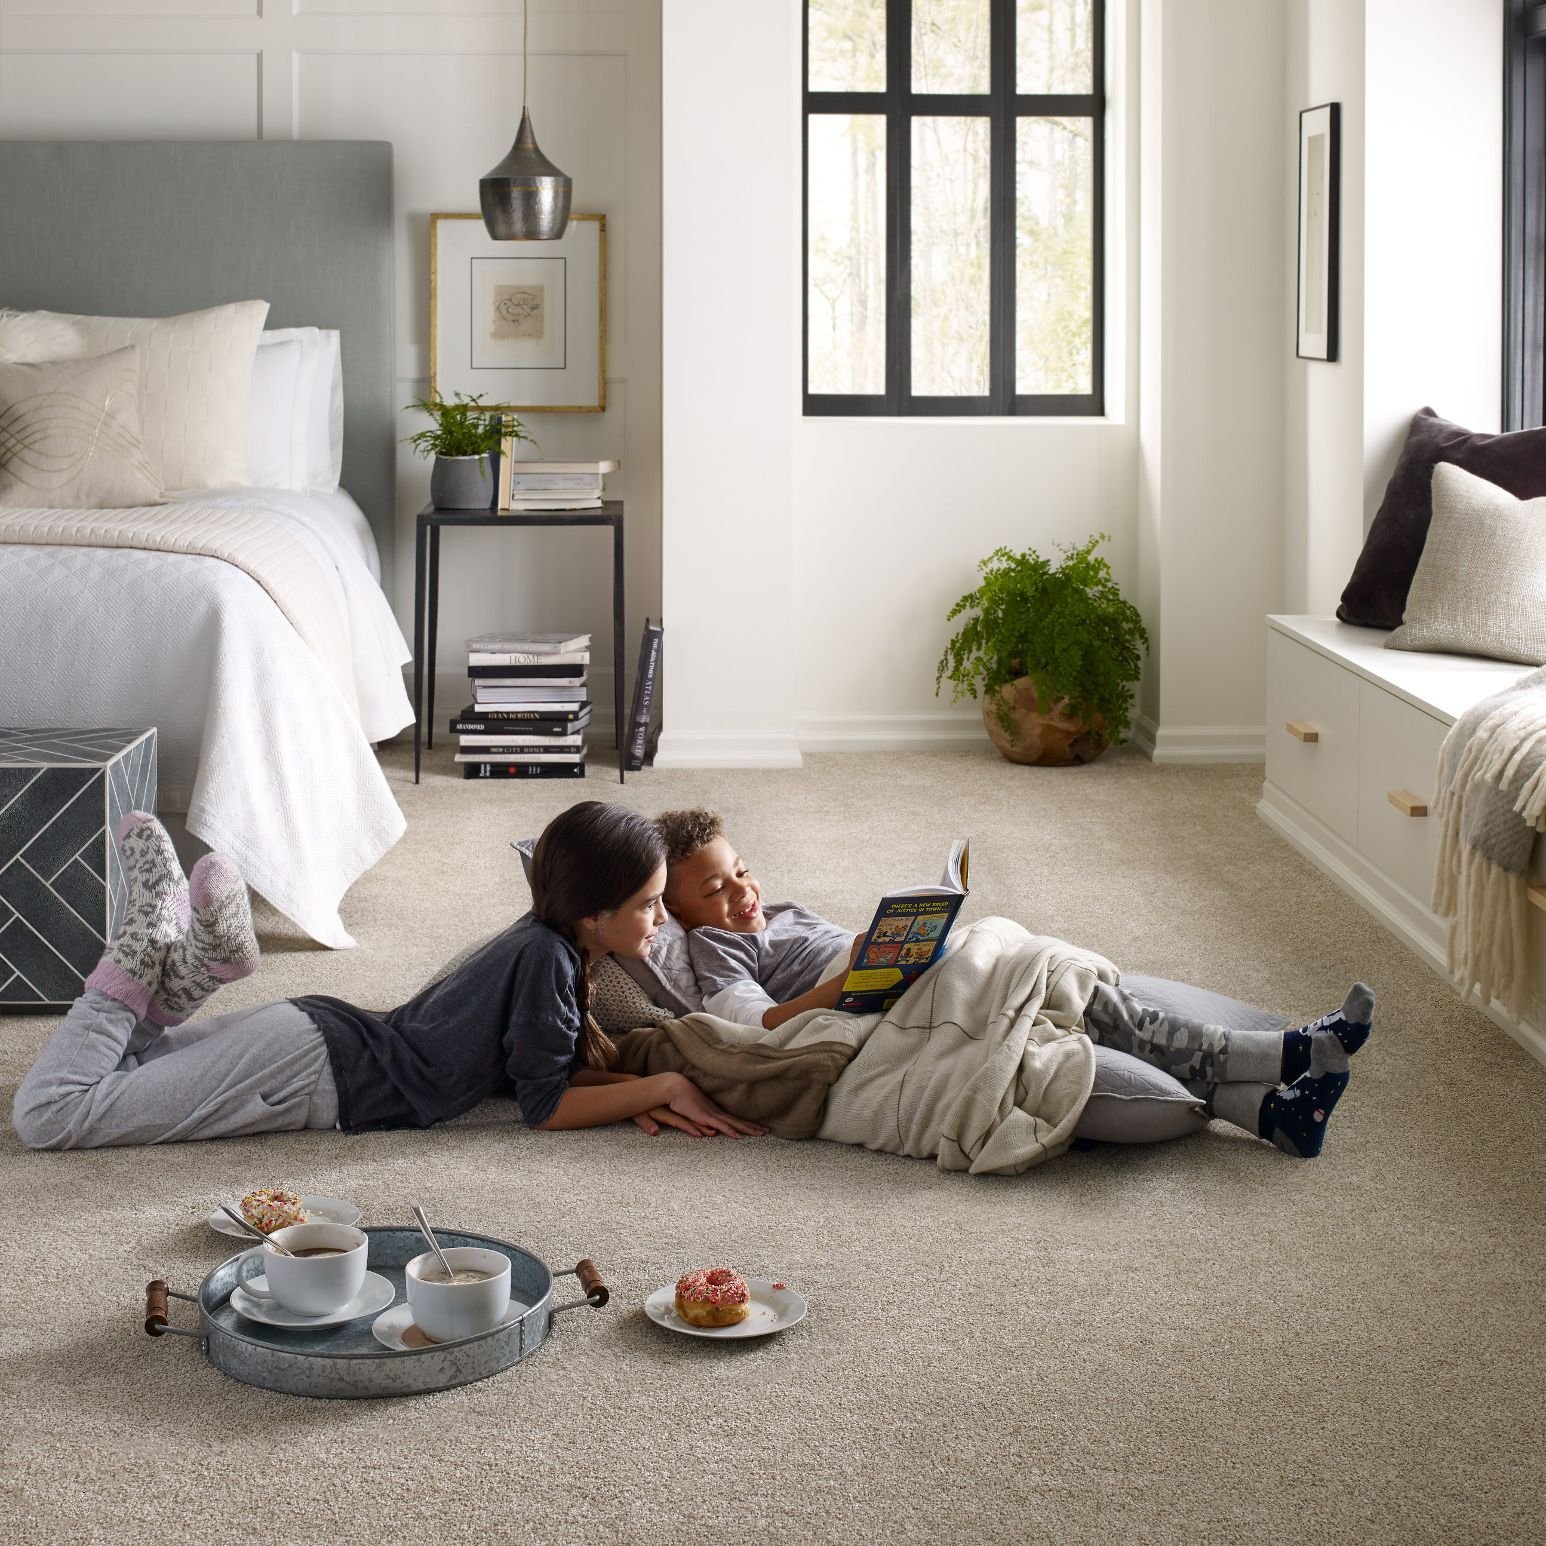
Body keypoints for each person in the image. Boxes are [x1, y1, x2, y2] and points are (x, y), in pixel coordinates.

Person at [12, 803, 765, 1150]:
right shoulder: (548, 960)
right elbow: (546, 1107)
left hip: (310, 1043)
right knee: (55, 1115)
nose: (662, 919)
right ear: (593, 914)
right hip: (311, 1072)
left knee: (131, 1063)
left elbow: (543, 1075)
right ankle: (143, 947)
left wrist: (630, 1094)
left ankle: (198, 966)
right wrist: (664, 1086)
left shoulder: (553, 945)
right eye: (648, 904)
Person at [654, 807, 1374, 1161]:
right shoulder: (712, 949)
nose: (741, 894)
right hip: (880, 1001)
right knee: (1053, 991)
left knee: (1051, 979)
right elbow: (761, 1025)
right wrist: (851, 976)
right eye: (715, 890)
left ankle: (1277, 1117)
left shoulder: (774, 912)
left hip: (903, 973)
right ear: (677, 911)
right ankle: (1282, 1055)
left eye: (742, 870)